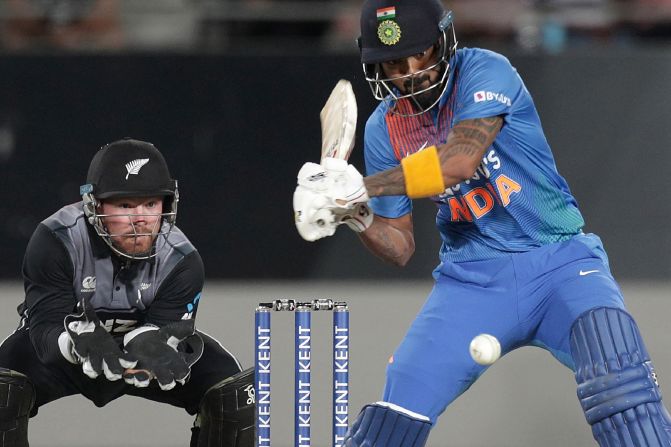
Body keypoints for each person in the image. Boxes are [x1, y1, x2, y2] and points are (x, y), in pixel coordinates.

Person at [292, 1, 671, 446]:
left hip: (560, 262)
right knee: (390, 423)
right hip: (472, 282)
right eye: (394, 63)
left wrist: (362, 187)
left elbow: (458, 161)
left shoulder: (486, 71)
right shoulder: (383, 130)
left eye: (422, 54)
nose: (412, 72)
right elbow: (400, 247)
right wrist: (354, 215)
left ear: (444, 43)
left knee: (620, 388)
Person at [0, 138, 254, 447]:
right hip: (67, 352)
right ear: (94, 205)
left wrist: (151, 337)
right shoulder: (56, 239)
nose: (141, 220)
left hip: (143, 358)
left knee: (235, 395)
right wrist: (74, 343)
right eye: (125, 205)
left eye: (151, 203)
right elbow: (43, 328)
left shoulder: (183, 260)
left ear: (167, 204)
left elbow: (168, 327)